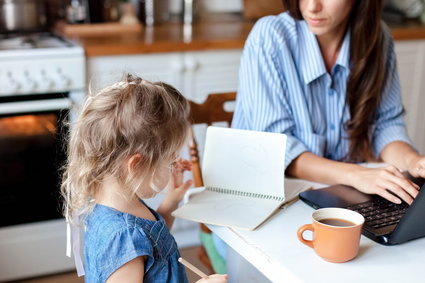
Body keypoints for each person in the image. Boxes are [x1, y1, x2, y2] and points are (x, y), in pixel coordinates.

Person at [232, 0, 425, 205]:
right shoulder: (270, 36)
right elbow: (276, 151)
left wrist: (413, 162)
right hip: (261, 203)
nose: (312, 7)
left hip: (335, 198)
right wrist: (355, 175)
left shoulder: (377, 38)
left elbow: (386, 126)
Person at [61, 75, 227, 283]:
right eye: (169, 160)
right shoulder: (123, 239)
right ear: (136, 166)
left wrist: (171, 201)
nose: (174, 165)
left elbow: (152, 242)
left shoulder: (120, 202)